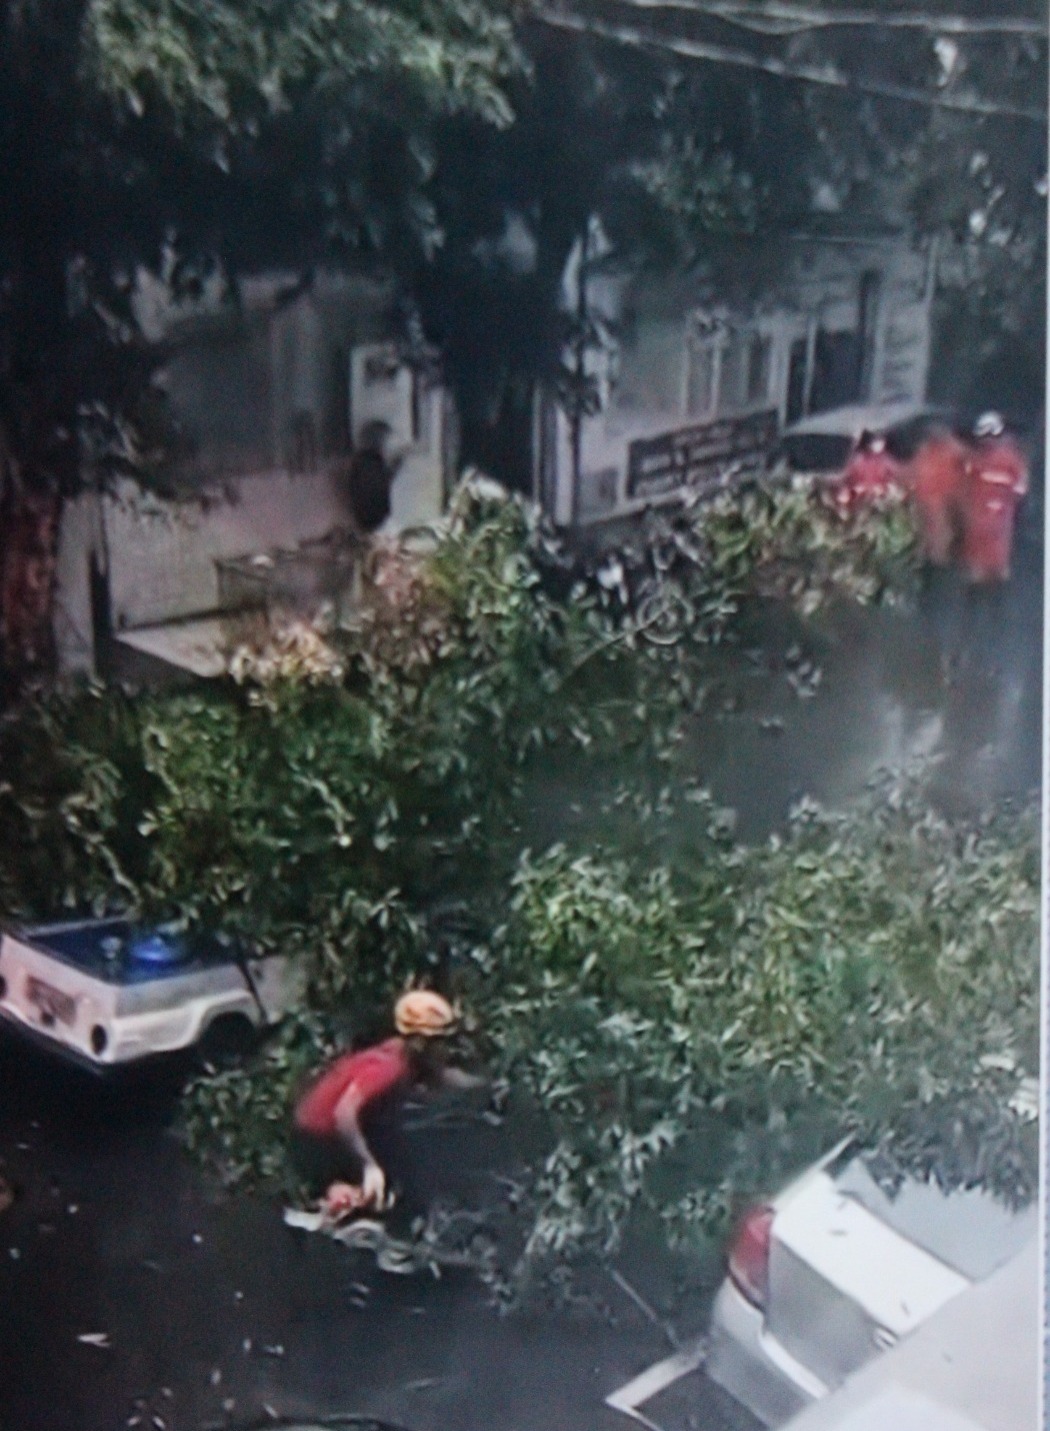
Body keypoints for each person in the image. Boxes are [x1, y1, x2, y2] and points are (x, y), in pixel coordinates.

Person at [291, 989, 484, 1217]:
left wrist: (486, 1084)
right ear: (422, 1042)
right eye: (441, 1042)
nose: (445, 1050)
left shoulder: (402, 1054)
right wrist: (368, 1164)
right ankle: (345, 1205)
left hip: (321, 1132)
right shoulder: (389, 1066)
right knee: (406, 1167)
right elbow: (343, 1113)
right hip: (317, 1140)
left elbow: (441, 1078)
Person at [959, 412, 1028, 586]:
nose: (984, 442)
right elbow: (966, 486)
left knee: (997, 573)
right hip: (981, 522)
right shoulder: (976, 460)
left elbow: (1020, 489)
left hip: (999, 522)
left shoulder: (1010, 460)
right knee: (979, 572)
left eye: (987, 437)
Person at [346, 420, 400, 535]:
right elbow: (382, 482)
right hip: (372, 514)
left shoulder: (360, 461)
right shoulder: (372, 461)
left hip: (366, 515)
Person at [832, 429, 902, 509]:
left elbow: (854, 460)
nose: (843, 490)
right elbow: (891, 470)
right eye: (844, 494)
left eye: (840, 492)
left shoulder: (845, 475)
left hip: (866, 450)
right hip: (880, 453)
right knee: (878, 444)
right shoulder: (865, 486)